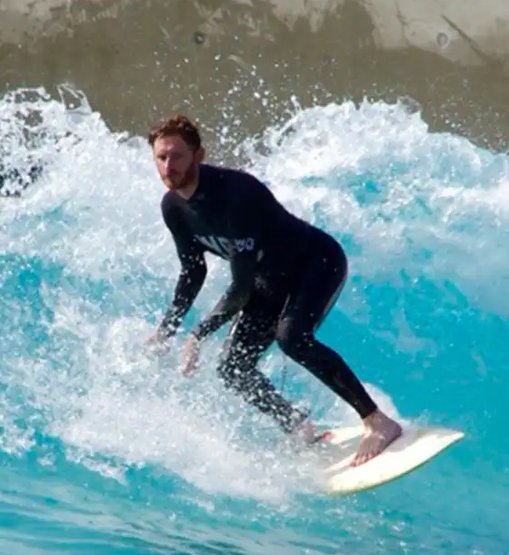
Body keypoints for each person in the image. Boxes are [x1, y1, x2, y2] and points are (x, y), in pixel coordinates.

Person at [147, 114, 402, 466]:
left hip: (315, 263)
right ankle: (299, 427)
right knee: (233, 367)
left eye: (176, 156)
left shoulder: (235, 195)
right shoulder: (173, 208)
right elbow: (193, 271)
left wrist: (198, 333)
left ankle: (378, 422)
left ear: (198, 155)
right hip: (267, 280)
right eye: (161, 157)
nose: (168, 165)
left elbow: (239, 288)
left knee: (292, 338)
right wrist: (168, 328)